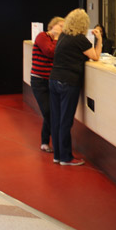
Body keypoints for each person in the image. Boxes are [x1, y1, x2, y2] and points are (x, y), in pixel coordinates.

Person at [50, 9, 102, 166]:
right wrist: (99, 40)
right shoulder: (80, 39)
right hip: (69, 82)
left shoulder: (63, 36)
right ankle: (66, 157)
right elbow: (95, 56)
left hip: (54, 80)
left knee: (57, 119)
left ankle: (57, 155)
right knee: (66, 120)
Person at [30, 16, 64, 153]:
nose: (63, 29)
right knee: (48, 111)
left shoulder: (59, 40)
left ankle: (46, 142)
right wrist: (56, 38)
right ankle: (46, 141)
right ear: (53, 25)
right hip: (39, 81)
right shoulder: (42, 36)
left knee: (52, 111)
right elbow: (50, 52)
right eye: (61, 26)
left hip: (52, 80)